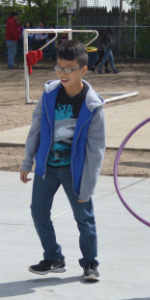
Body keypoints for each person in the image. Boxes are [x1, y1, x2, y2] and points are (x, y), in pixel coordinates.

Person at [20, 40, 106, 282]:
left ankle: (90, 263)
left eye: (69, 68)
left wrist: (87, 186)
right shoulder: (49, 95)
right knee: (38, 212)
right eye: (59, 67)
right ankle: (53, 257)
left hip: (74, 171)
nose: (62, 73)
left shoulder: (92, 106)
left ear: (83, 70)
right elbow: (36, 129)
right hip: (47, 167)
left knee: (84, 218)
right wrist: (28, 162)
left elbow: (96, 149)